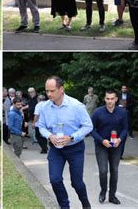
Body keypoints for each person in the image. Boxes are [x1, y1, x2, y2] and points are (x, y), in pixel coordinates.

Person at [38, 76, 93, 209]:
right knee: (55, 179)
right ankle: (64, 206)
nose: (49, 94)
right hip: (56, 148)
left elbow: (88, 126)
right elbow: (41, 126)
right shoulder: (44, 107)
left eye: (52, 91)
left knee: (77, 183)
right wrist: (50, 135)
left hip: (75, 148)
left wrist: (72, 137)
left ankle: (85, 203)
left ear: (61, 89)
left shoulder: (76, 106)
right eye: (47, 91)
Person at [91, 89, 128, 205]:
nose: (110, 101)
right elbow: (91, 129)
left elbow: (125, 128)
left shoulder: (122, 112)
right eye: (107, 98)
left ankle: (112, 196)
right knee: (103, 171)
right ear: (104, 98)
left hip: (116, 145)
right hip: (102, 145)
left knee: (114, 171)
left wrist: (120, 139)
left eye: (112, 99)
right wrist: (102, 141)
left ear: (116, 99)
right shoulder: (97, 112)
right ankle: (103, 192)